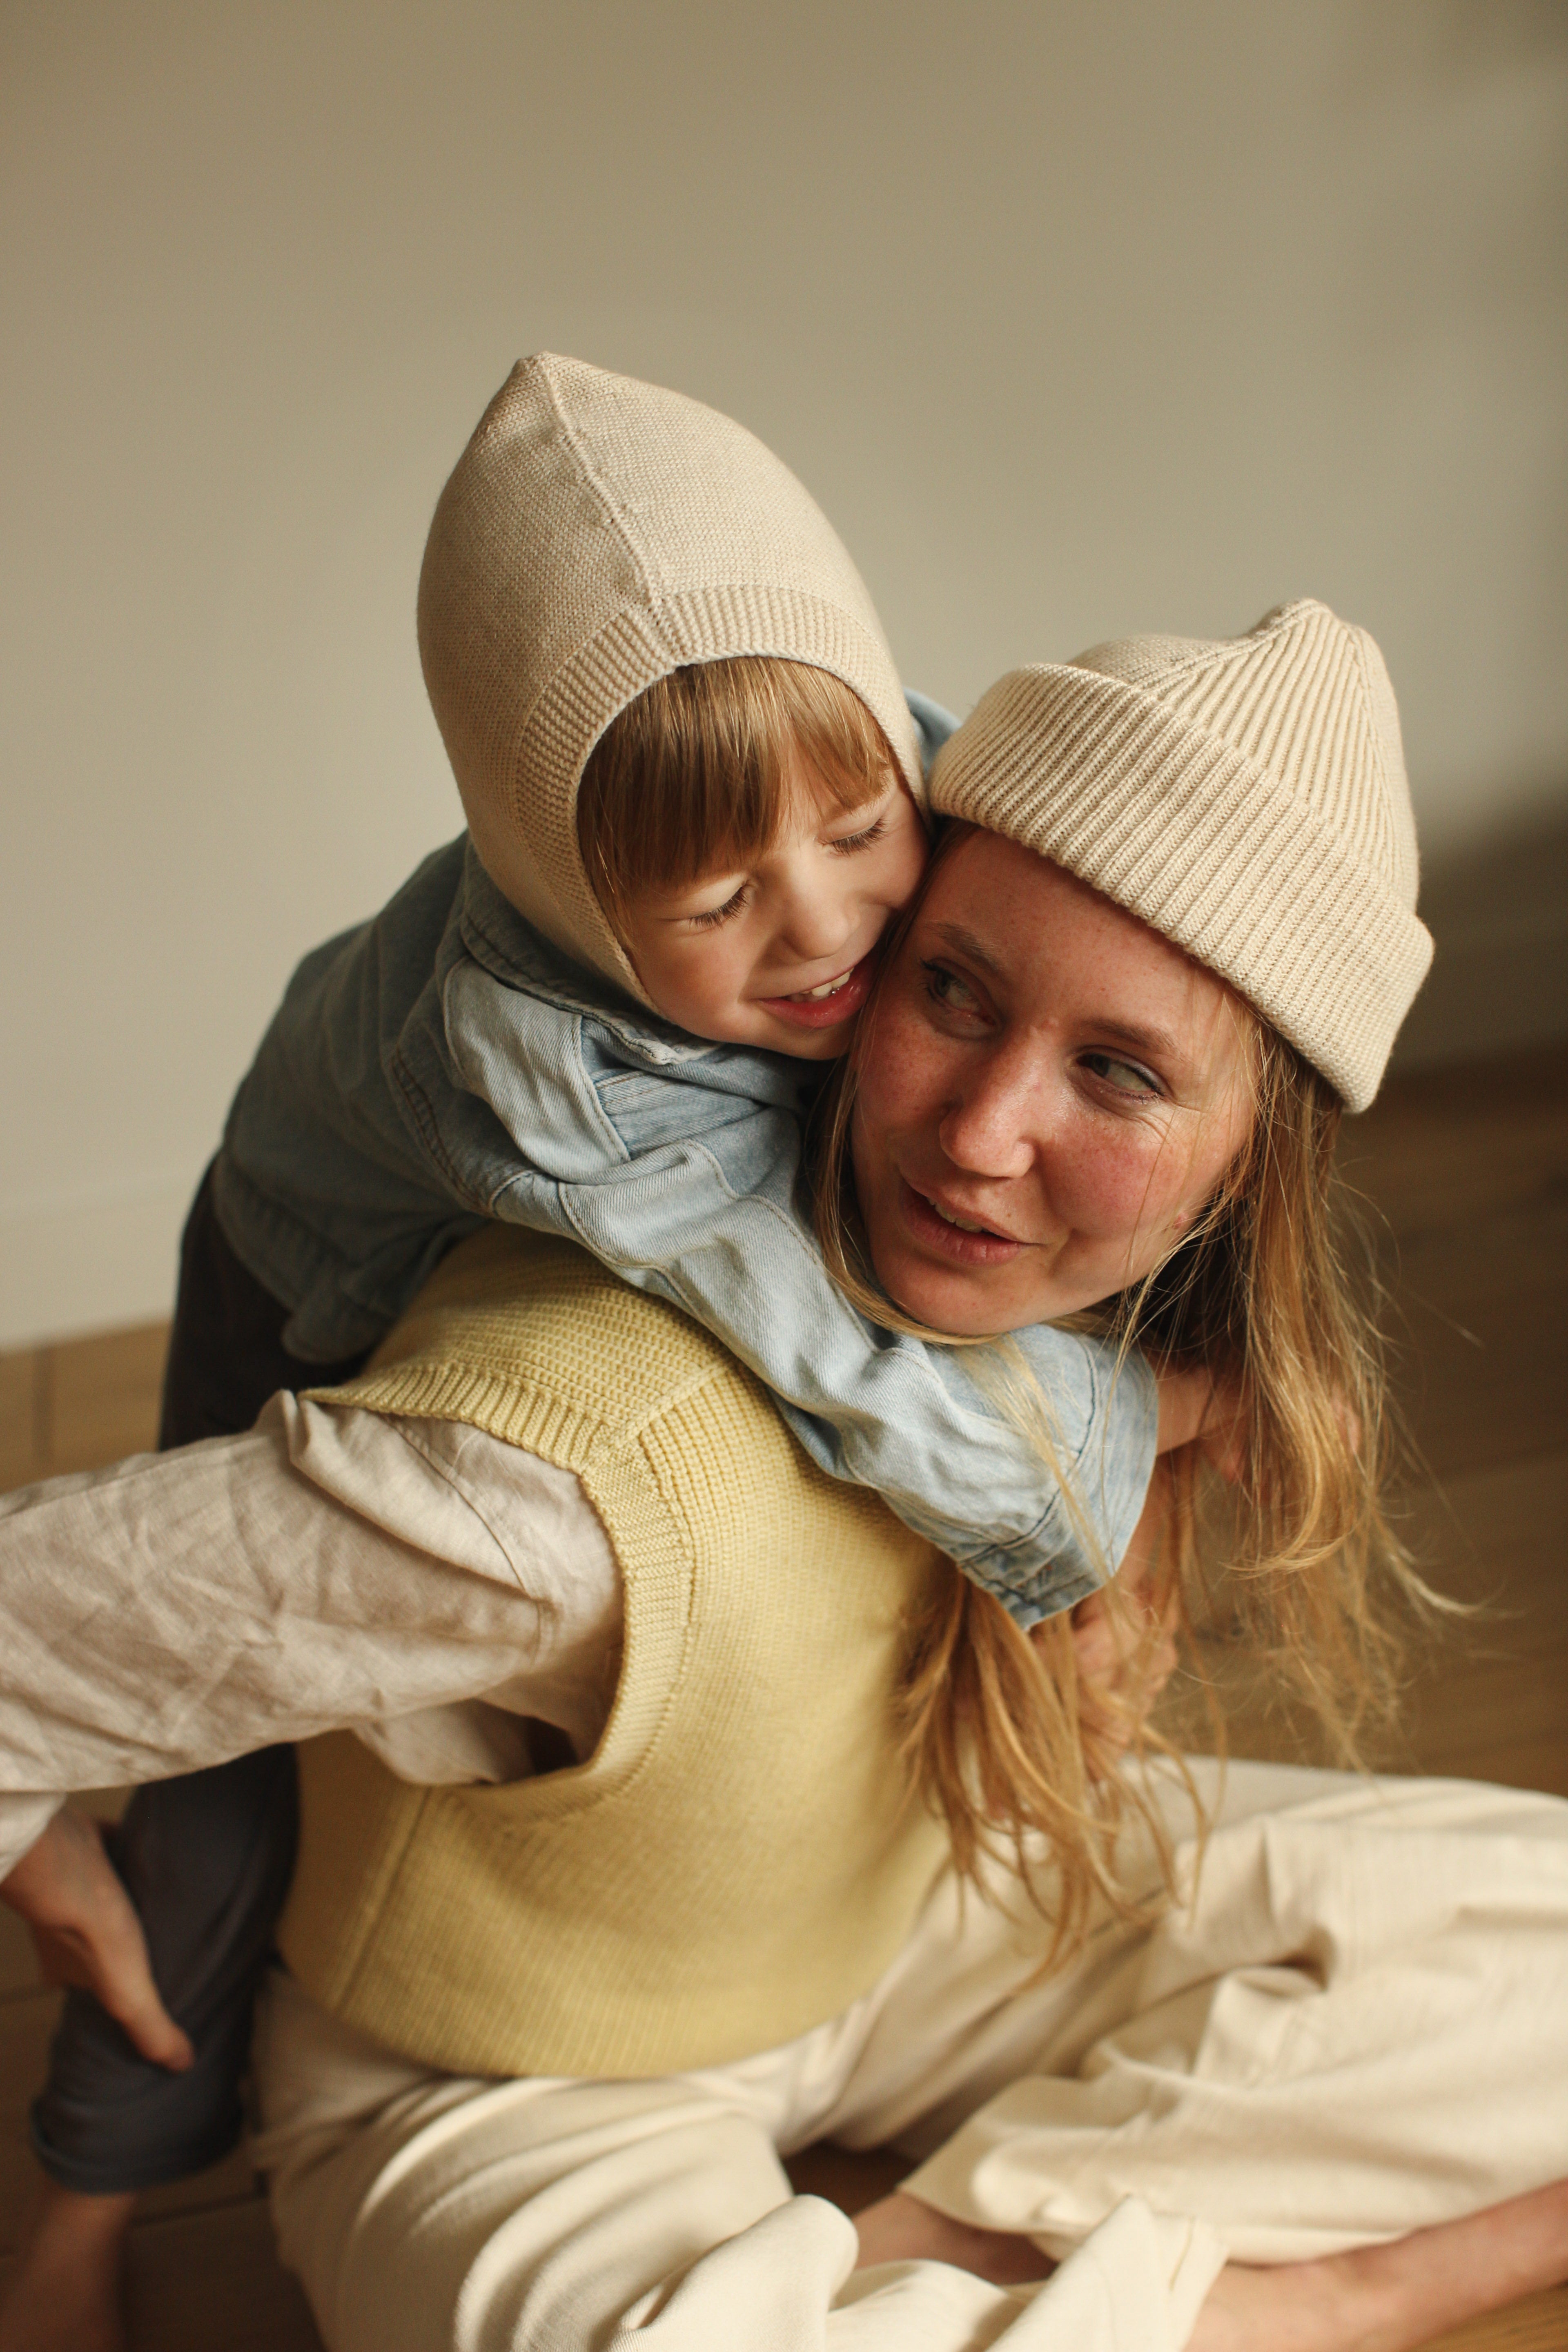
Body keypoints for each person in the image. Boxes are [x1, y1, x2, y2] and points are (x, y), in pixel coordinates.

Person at [2, 598, 1565, 2350]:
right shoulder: (566, 1471)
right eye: (954, 992)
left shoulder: (1116, 1352)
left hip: (891, 1926)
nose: (979, 1135)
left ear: (1245, 1171)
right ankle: (1275, 2295)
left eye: (1117, 1072)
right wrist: (36, 1841)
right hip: (516, 2068)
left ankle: (931, 2257)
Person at [0, 355, 1209, 2346]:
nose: (824, 929)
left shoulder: (897, 790)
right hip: (296, 1265)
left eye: (860, 827)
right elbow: (824, 1326)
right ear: (565, 888)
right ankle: (80, 2201)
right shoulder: (559, 1073)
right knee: (223, 1794)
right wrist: (1117, 1439)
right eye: (720, 898)